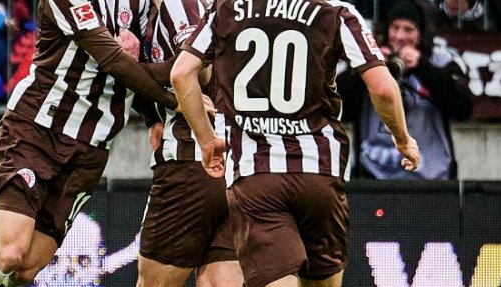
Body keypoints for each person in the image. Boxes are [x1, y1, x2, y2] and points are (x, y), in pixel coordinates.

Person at [0, 0, 184, 286]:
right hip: (37, 131)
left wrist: (151, 116)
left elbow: (149, 59)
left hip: (91, 148)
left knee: (25, 271)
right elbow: (113, 61)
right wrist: (176, 99)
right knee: (9, 254)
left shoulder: (143, 3)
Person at [170, 1, 420, 287]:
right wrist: (402, 139)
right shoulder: (335, 10)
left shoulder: (227, 8)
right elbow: (383, 87)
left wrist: (206, 139)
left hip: (256, 174)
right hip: (320, 173)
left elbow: (181, 74)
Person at [136, 0, 243, 286]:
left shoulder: (180, 3)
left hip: (193, 161)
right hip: (239, 163)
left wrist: (130, 72)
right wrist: (152, 115)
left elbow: (198, 68)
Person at [340, 0, 473, 180]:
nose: (400, 36)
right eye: (395, 28)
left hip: (431, 176)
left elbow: (463, 108)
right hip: (374, 174)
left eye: (409, 30)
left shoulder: (443, 61)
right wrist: (367, 70)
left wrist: (422, 67)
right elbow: (339, 108)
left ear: (422, 34)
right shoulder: (368, 61)